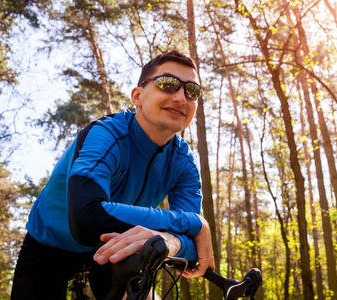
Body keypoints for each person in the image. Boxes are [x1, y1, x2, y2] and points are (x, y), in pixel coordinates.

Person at [11, 50, 214, 299]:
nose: (182, 98)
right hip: (50, 244)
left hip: (118, 243)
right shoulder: (105, 134)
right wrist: (195, 224)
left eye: (191, 90)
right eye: (168, 84)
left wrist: (168, 239)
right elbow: (87, 218)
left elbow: (195, 246)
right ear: (137, 96)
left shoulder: (184, 162)